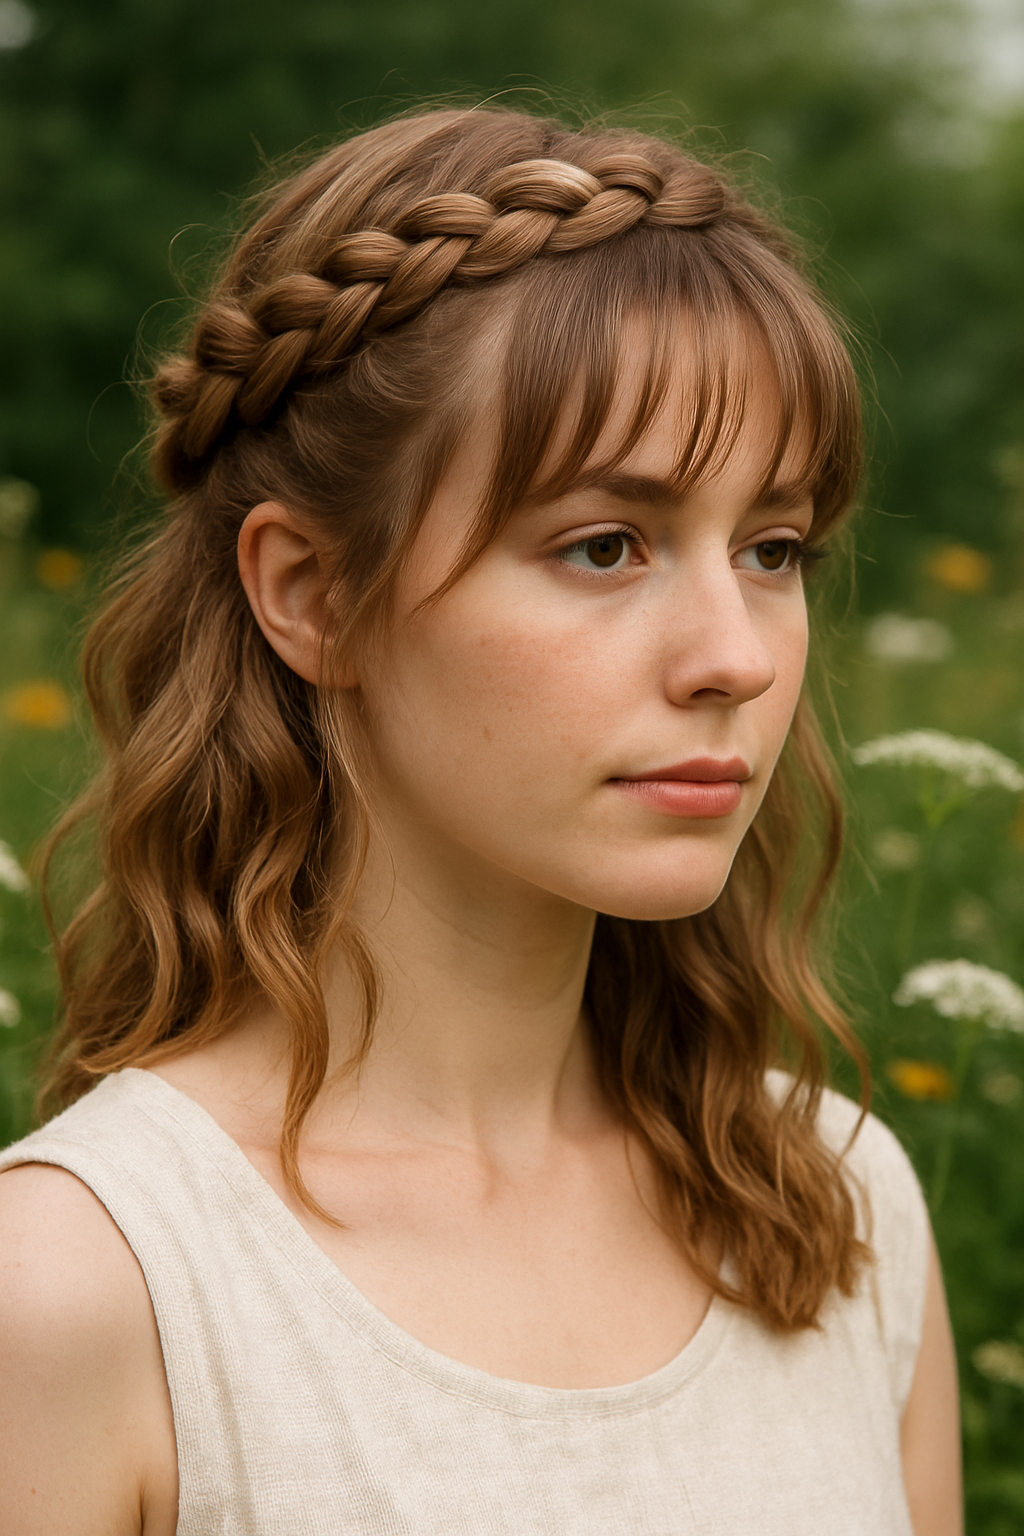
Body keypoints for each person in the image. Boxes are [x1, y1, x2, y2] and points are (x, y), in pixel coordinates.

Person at [0, 106, 961, 1535]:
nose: (738, 657)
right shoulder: (87, 1287)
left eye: (774, 549)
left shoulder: (837, 1210)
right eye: (604, 545)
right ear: (314, 595)